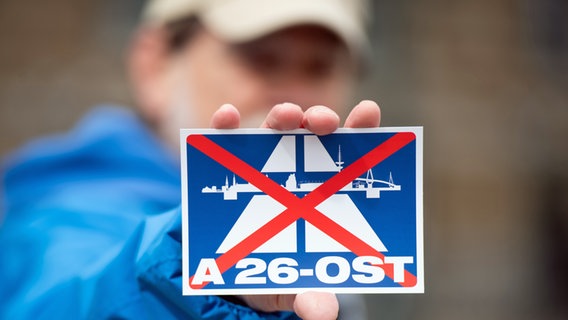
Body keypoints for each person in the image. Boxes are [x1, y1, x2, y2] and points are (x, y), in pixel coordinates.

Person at [0, 0, 380, 318]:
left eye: (320, 67)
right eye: (261, 60)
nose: (294, 95)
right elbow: (67, 299)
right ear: (155, 66)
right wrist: (200, 273)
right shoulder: (66, 212)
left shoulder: (339, 246)